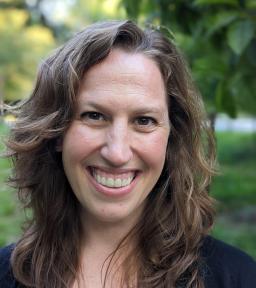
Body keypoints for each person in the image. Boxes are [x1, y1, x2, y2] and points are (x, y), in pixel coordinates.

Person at [0, 20, 255, 288]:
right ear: (56, 132)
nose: (118, 153)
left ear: (171, 137)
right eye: (94, 116)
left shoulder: (237, 278)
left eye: (144, 121)